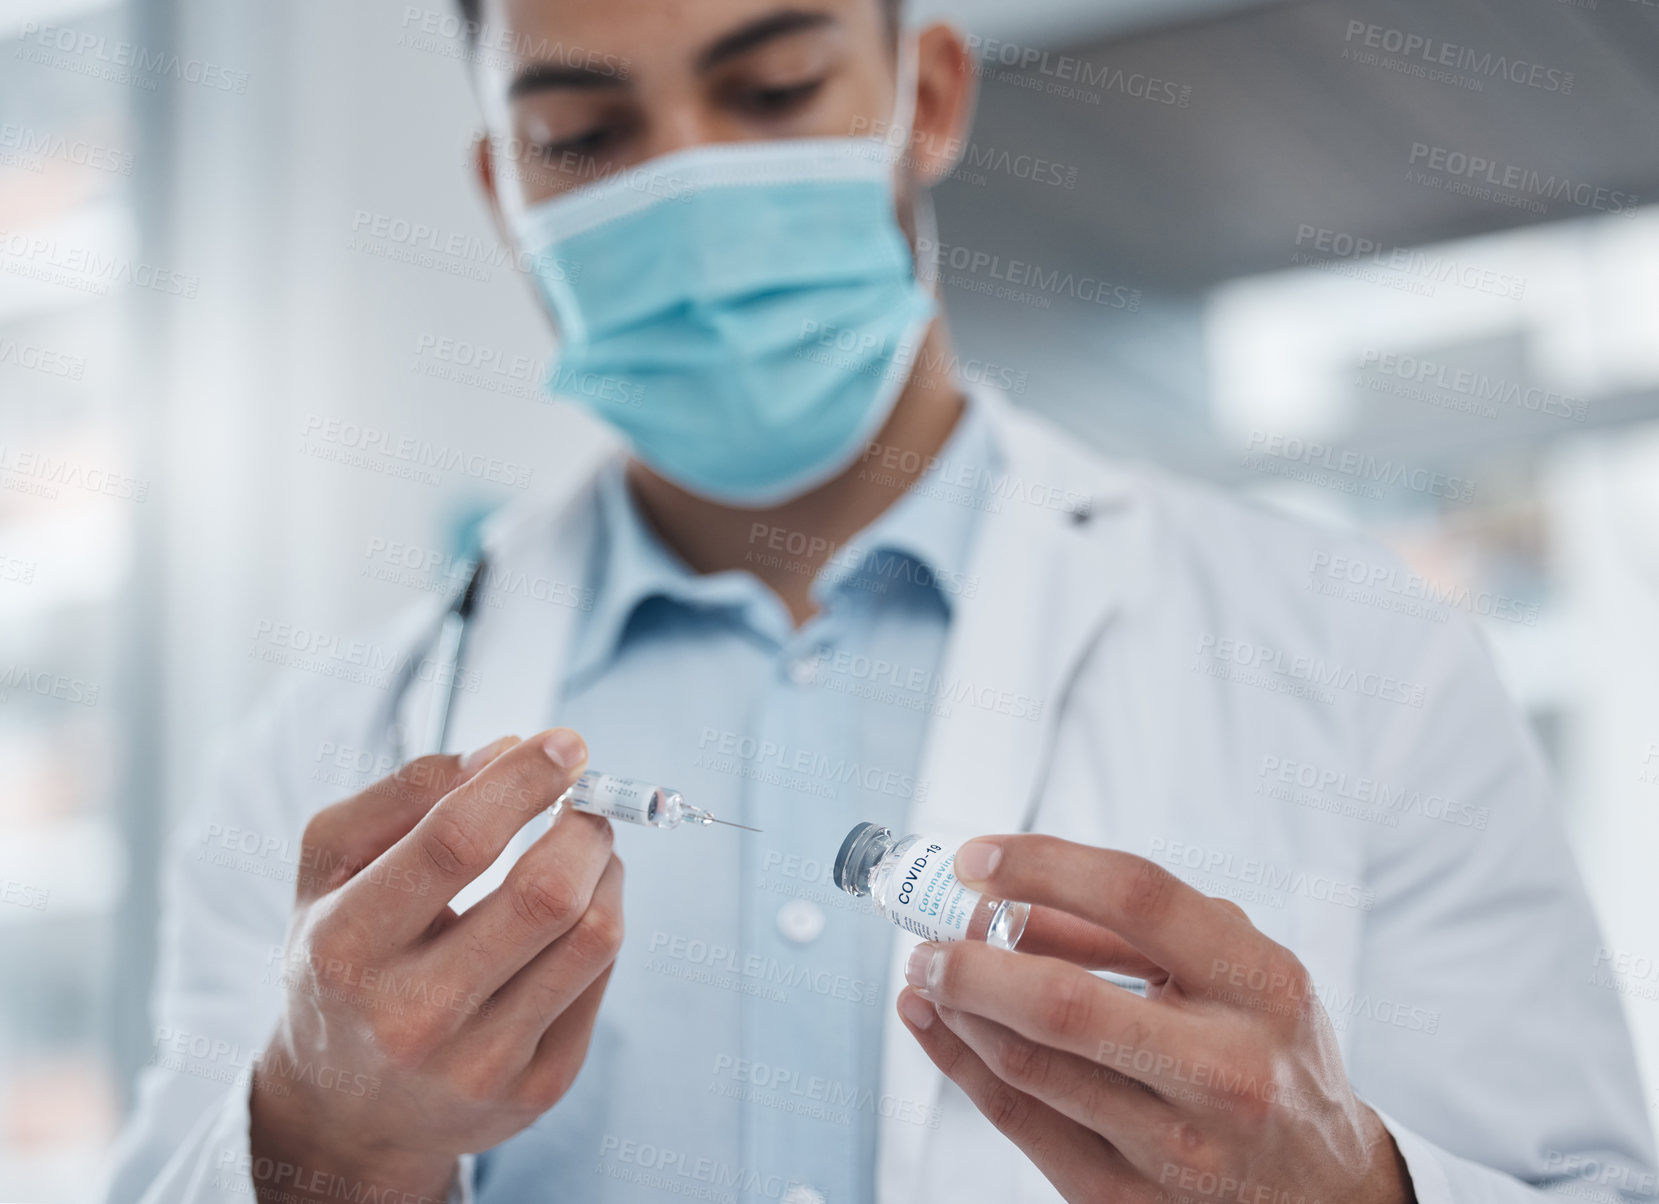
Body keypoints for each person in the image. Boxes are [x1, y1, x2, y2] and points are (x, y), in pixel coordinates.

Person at [105, 1, 1656, 1202]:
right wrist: (312, 1146)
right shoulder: (324, 757)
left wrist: (1347, 1184)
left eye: (771, 93)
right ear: (504, 189)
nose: (690, 182)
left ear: (926, 97)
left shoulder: (1354, 650)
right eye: (583, 130)